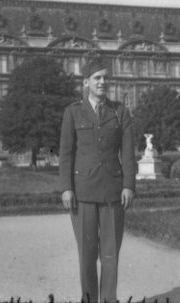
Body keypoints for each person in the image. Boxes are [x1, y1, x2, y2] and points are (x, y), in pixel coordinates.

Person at [59, 57, 135, 303]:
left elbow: (129, 153)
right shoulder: (72, 112)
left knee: (111, 254)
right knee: (87, 254)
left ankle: (110, 300)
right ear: (86, 83)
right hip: (83, 192)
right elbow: (66, 154)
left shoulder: (120, 112)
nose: (103, 82)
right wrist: (66, 189)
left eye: (105, 78)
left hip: (113, 191)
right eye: (97, 78)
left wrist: (128, 185)